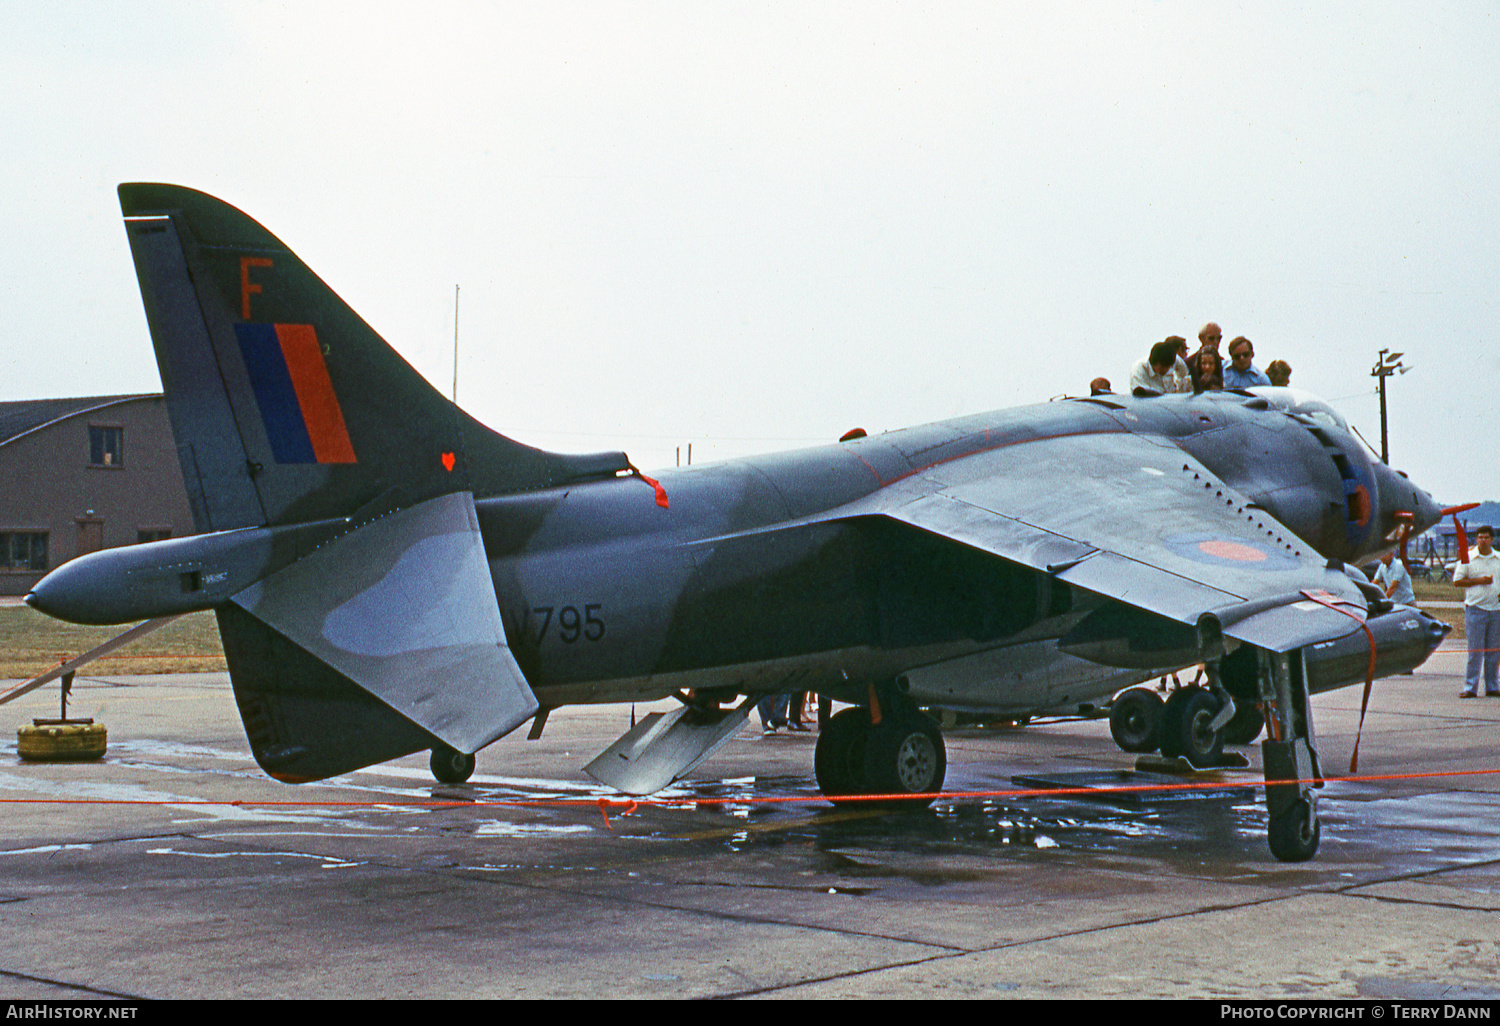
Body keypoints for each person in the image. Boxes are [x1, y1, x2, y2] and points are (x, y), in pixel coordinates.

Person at [1453, 525, 1500, 697]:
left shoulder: (1498, 558)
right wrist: (1479, 580)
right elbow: (1457, 581)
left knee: (1494, 651)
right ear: (1476, 539)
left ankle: (1493, 686)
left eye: (1486, 537)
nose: (1483, 540)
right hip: (1476, 609)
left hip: (1496, 610)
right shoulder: (1467, 559)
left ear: (1492, 540)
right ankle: (1470, 687)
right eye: (1480, 537)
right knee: (1475, 650)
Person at [1188, 322, 1223, 392]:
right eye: (1211, 338)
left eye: (1218, 338)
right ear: (1201, 338)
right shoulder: (1189, 363)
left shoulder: (1223, 363)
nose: (1216, 341)